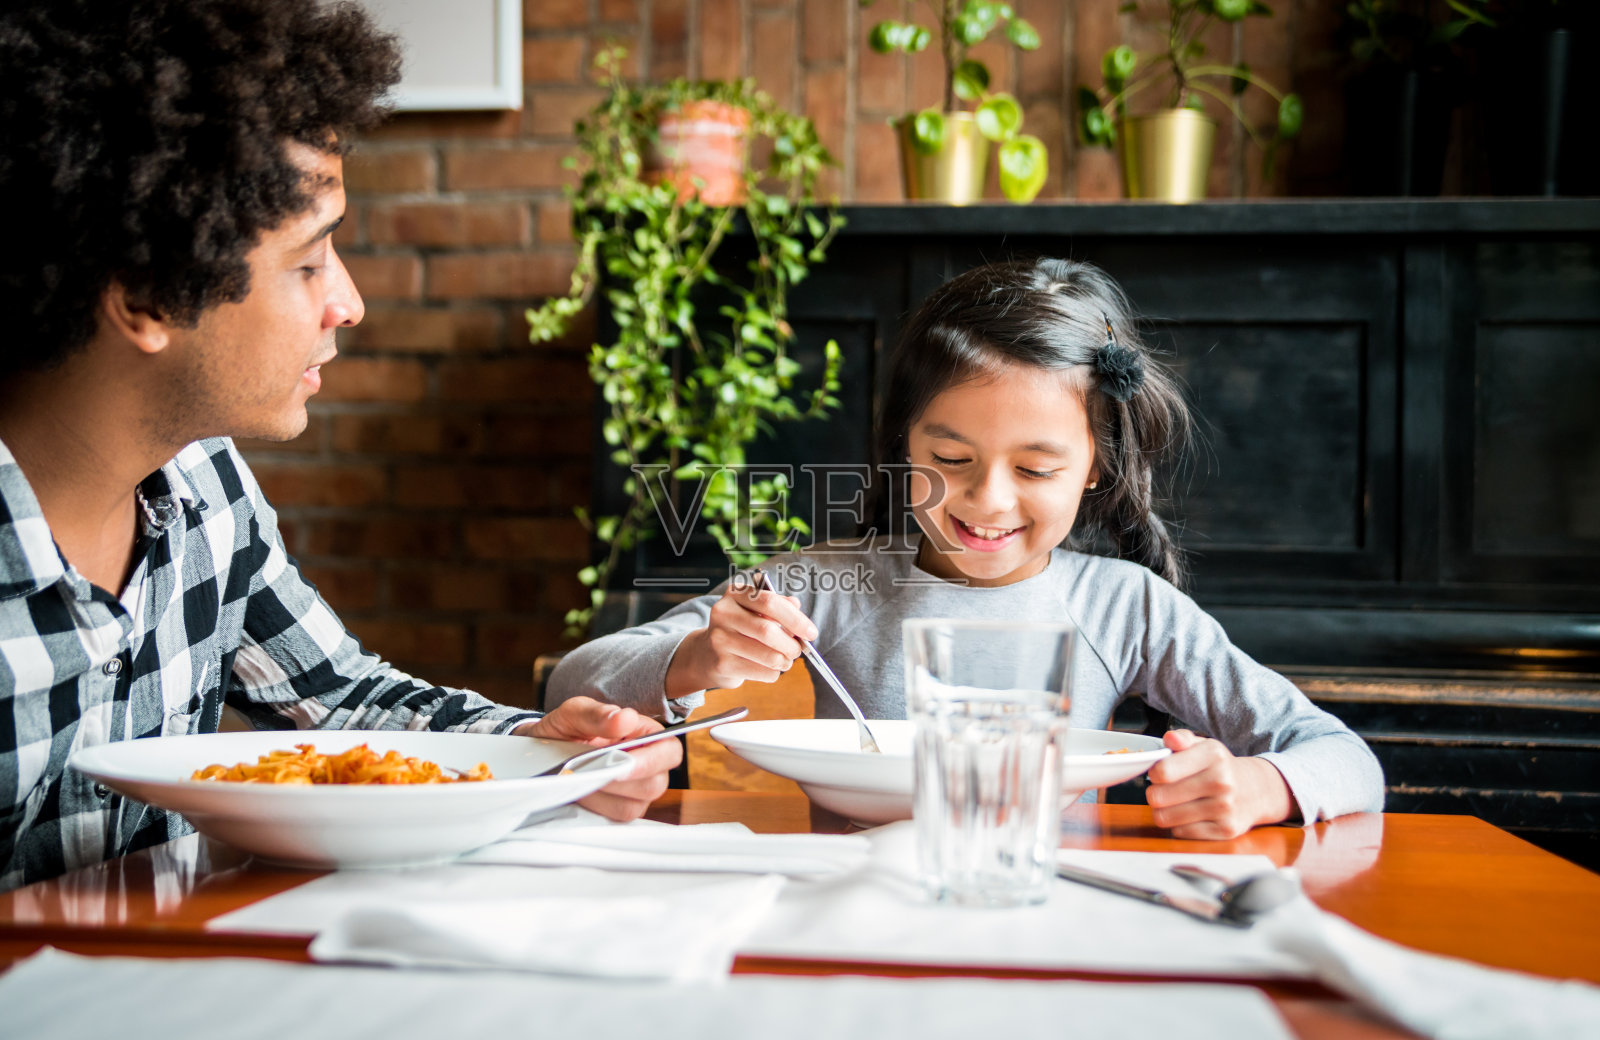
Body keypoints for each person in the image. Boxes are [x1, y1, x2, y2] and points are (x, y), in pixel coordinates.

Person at [0, 0, 678, 890]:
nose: (348, 303)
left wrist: (532, 744)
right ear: (147, 297)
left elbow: (340, 698)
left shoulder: (204, 485)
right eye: (310, 261)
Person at [548, 258, 1385, 838]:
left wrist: (1260, 786)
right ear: (903, 444)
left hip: (1056, 909)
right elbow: (571, 678)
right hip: (841, 900)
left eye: (1036, 466)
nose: (985, 499)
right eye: (949, 459)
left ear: (1097, 466)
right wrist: (696, 659)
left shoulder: (1121, 607)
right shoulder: (824, 582)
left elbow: (1344, 757)